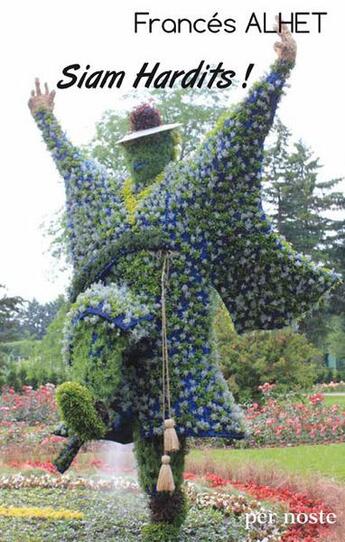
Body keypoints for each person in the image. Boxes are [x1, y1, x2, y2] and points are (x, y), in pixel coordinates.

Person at [29, 21, 339, 532]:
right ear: (126, 151)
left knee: (160, 434)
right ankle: (93, 400)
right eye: (134, 146)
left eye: (150, 144)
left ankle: (164, 519)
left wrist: (280, 70)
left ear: (168, 147)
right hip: (123, 330)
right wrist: (46, 122)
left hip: (175, 333)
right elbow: (72, 169)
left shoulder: (189, 184)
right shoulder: (108, 196)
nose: (140, 153)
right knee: (95, 314)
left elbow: (239, 134)